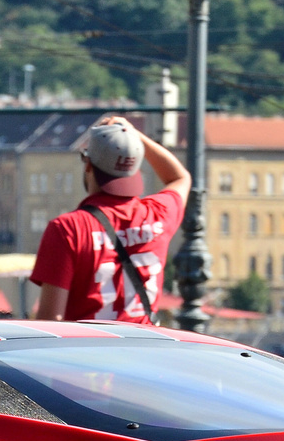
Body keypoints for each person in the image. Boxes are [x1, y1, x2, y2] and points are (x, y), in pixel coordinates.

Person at [31, 115, 192, 324]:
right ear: (135, 168)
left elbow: (50, 321)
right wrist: (132, 135)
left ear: (88, 164)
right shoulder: (158, 215)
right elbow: (180, 177)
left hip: (87, 351)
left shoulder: (68, 229)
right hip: (143, 349)